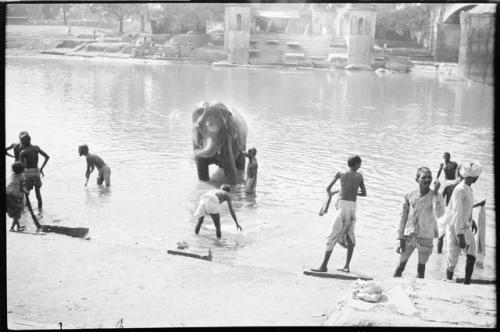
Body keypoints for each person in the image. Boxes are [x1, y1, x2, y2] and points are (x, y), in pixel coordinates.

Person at [312, 155, 367, 273]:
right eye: (360, 164)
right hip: (352, 208)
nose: (360, 166)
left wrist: (336, 192)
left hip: (342, 208)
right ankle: (347, 266)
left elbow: (328, 189)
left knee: (332, 235)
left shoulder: (340, 174)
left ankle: (323, 266)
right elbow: (364, 193)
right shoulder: (359, 176)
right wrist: (353, 192)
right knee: (350, 236)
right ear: (357, 164)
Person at [393, 167, 444, 279]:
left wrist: (436, 193)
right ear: (417, 179)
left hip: (426, 236)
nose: (427, 180)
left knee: (421, 268)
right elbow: (403, 217)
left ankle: (418, 292)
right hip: (409, 235)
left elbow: (439, 214)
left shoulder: (435, 195)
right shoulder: (409, 195)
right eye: (423, 177)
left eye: (429, 177)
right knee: (400, 266)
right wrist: (400, 237)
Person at [445, 161, 482, 285]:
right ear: (472, 176)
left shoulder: (469, 189)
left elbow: (467, 208)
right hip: (455, 227)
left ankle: (467, 283)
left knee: (472, 255)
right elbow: (457, 213)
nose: (477, 178)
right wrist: (460, 235)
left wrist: (472, 221)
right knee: (452, 258)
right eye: (477, 176)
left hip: (465, 224)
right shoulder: (460, 190)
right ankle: (448, 280)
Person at [19, 134, 49, 211]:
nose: (21, 143)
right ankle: (40, 211)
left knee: (26, 192)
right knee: (38, 193)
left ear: (24, 142)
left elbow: (20, 167)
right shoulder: (36, 148)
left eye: (21, 141)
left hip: (28, 173)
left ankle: (27, 213)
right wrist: (41, 168)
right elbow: (47, 157)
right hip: (36, 171)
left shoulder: (23, 152)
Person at [436, 153, 459, 254]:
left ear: (449, 157)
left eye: (447, 157)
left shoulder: (454, 164)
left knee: (442, 233)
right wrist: (437, 178)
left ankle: (440, 253)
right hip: (451, 208)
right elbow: (439, 172)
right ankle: (442, 253)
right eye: (444, 157)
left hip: (451, 182)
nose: (445, 159)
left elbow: (458, 171)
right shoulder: (442, 165)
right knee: (450, 232)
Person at [6, 162, 28, 231]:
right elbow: (21, 188)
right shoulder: (22, 177)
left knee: (15, 210)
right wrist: (26, 192)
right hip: (15, 195)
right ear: (22, 170)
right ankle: (12, 227)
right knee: (18, 211)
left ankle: (18, 226)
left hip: (8, 193)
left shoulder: (13, 175)